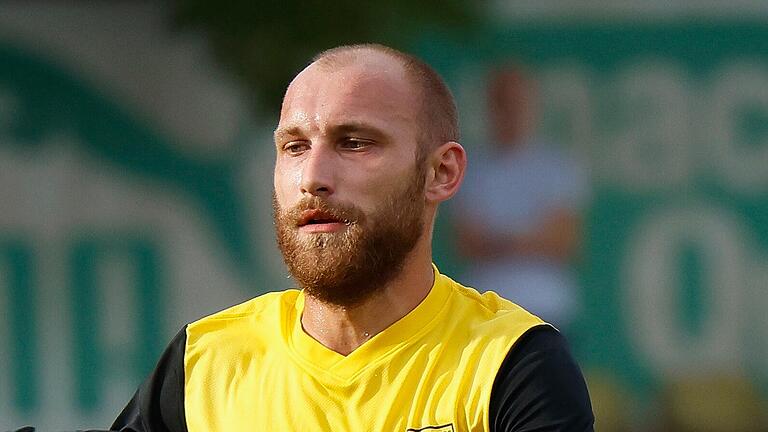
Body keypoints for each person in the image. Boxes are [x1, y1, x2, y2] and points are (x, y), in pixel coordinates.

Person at [101, 44, 593, 431]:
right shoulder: (202, 362)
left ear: (441, 173)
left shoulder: (512, 364)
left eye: (354, 143)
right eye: (294, 146)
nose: (312, 175)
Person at [454, 66, 589, 331]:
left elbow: (565, 242)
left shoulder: (557, 167)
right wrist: (533, 238)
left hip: (547, 306)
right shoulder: (471, 167)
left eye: (517, 102)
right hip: (486, 306)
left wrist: (499, 240)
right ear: (490, 107)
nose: (511, 111)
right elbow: (466, 242)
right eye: (503, 103)